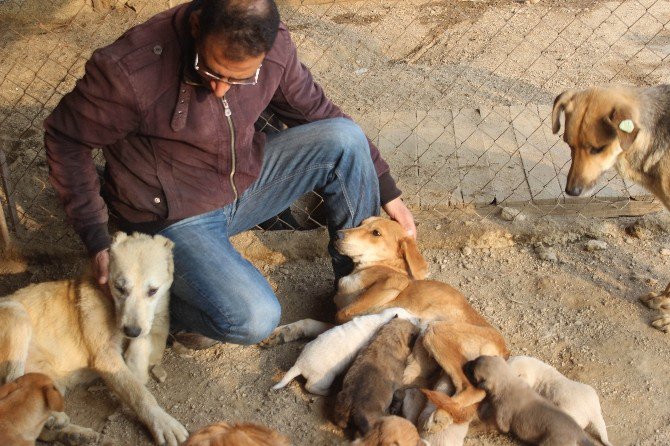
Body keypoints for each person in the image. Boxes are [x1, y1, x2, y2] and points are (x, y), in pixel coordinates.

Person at [44, 0, 416, 349]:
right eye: (211, 71)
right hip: (174, 216)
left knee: (345, 138)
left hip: (245, 183)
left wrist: (386, 188)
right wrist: (95, 239)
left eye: (240, 79)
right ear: (196, 25)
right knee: (255, 318)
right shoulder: (130, 71)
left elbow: (318, 112)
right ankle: (169, 311)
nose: (220, 88)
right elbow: (65, 138)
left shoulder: (273, 45)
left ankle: (357, 302)